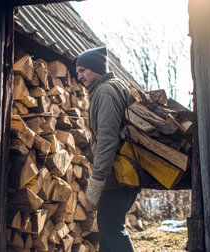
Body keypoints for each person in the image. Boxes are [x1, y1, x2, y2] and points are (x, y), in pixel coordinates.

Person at [75, 46, 141, 252]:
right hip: (125, 172)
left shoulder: (104, 92)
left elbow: (107, 139)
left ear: (96, 68)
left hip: (118, 174)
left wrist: (97, 180)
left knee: (112, 229)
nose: (79, 76)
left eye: (83, 70)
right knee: (107, 231)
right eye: (77, 72)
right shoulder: (113, 86)